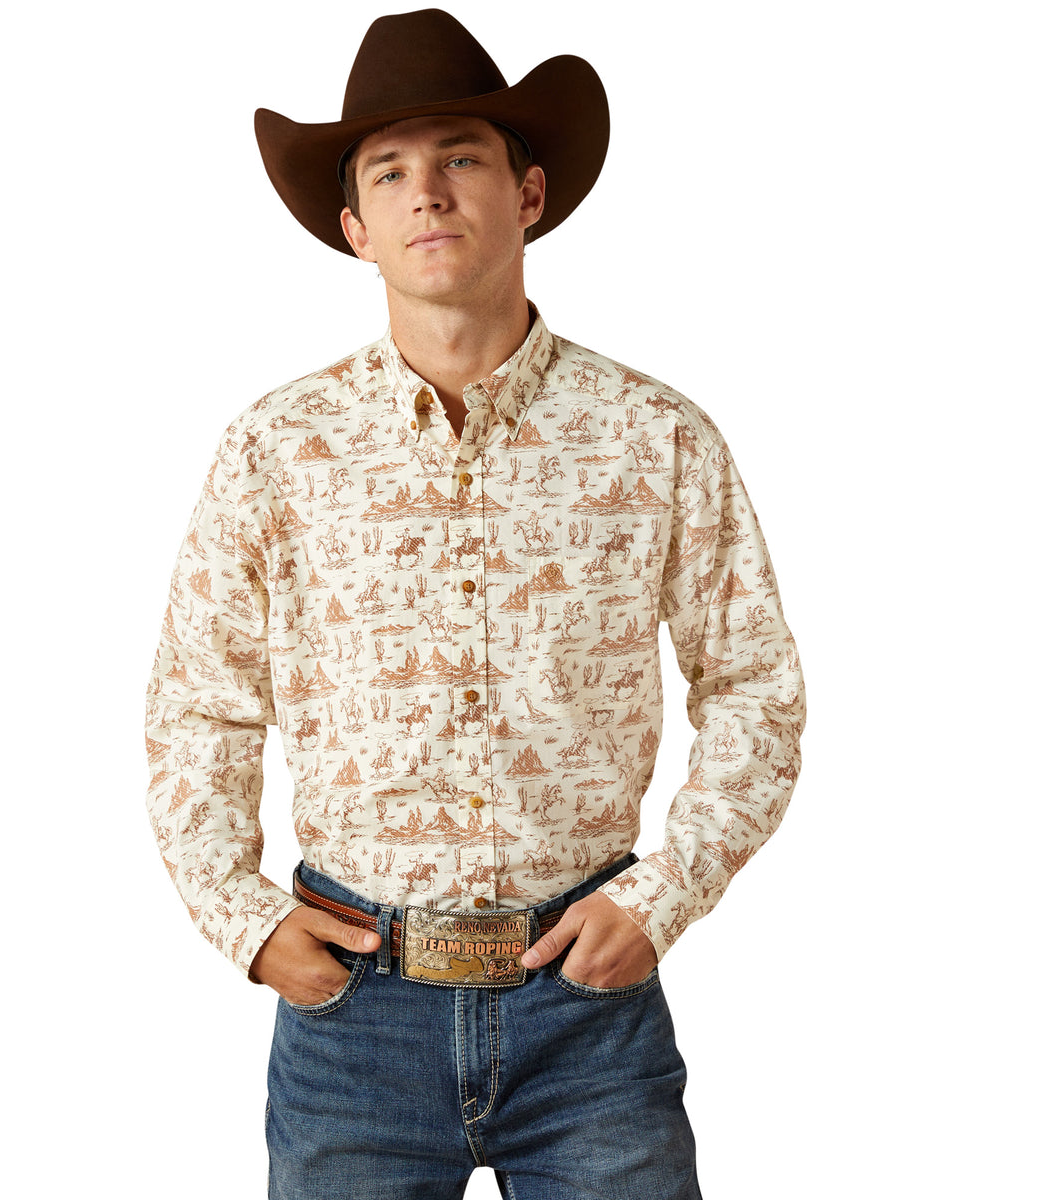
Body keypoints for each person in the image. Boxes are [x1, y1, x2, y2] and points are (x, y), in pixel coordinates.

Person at [144, 10, 805, 1198]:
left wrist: (666, 892)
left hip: (589, 1015)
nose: (428, 193)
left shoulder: (654, 437)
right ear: (355, 229)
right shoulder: (276, 449)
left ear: (529, 193)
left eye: (462, 158)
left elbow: (754, 682)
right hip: (353, 1017)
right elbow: (201, 704)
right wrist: (241, 920)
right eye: (389, 172)